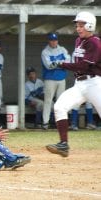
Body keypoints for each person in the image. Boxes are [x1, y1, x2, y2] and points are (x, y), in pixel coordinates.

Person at [46, 11, 101, 157]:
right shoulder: (78, 41)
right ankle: (63, 145)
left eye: (81, 25)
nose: (78, 28)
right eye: (77, 25)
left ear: (90, 25)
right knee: (59, 107)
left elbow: (84, 66)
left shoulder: (95, 42)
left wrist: (62, 64)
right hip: (80, 84)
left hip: (95, 83)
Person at [41, 32, 71, 130]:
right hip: (50, 79)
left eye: (55, 40)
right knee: (48, 101)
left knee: (60, 101)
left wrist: (57, 63)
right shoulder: (45, 52)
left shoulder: (62, 49)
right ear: (49, 41)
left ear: (57, 40)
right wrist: (61, 63)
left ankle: (59, 122)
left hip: (61, 78)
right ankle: (45, 122)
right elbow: (48, 66)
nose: (53, 42)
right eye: (51, 40)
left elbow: (68, 61)